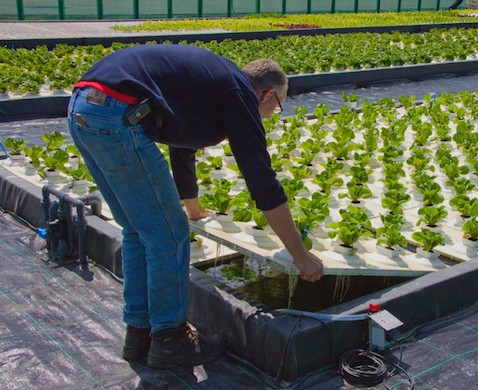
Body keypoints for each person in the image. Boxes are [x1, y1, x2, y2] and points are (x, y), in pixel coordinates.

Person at [67, 44, 324, 369]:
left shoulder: (212, 85)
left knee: (138, 229)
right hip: (118, 114)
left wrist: (192, 208)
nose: (272, 115)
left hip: (85, 106)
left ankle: (139, 335)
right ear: (266, 94)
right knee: (169, 235)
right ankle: (169, 339)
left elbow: (182, 144)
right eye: (277, 107)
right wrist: (300, 254)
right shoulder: (238, 92)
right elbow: (261, 179)